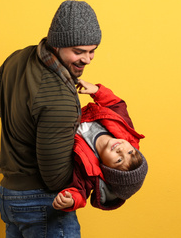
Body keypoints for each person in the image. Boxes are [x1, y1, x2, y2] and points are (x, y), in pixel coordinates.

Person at [0, 0, 102, 237]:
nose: (87, 59)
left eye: (92, 51)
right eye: (78, 52)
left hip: (9, 195)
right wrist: (94, 164)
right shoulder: (59, 97)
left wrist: (26, 130)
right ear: (57, 44)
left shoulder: (18, 57)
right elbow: (55, 178)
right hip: (43, 203)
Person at [52, 79, 148, 212]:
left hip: (54, 126)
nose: (121, 150)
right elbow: (116, 104)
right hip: (68, 107)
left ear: (106, 168)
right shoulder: (123, 129)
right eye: (130, 152)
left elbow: (80, 190)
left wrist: (71, 200)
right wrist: (97, 91)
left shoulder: (89, 169)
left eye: (119, 160)